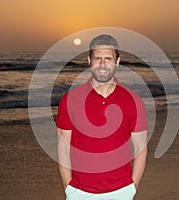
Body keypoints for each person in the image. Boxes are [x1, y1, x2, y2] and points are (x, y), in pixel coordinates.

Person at [56, 34, 148, 200]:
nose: (103, 64)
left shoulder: (133, 100)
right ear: (89, 60)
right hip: (79, 192)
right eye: (97, 58)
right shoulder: (71, 99)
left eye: (108, 58)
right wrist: (68, 187)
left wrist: (131, 188)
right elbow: (63, 146)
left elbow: (141, 147)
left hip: (122, 191)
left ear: (117, 61)